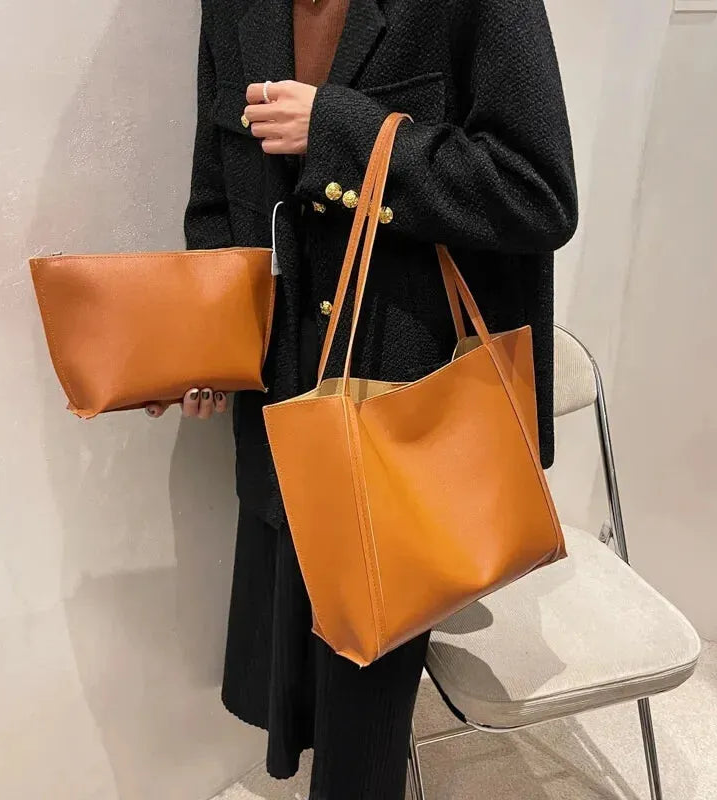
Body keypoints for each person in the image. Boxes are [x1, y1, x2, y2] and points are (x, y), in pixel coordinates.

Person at [148, 0, 577, 796]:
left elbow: (537, 193)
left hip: (406, 413)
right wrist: (206, 340)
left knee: (363, 717)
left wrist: (342, 131)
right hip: (286, 403)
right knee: (301, 678)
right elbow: (218, 191)